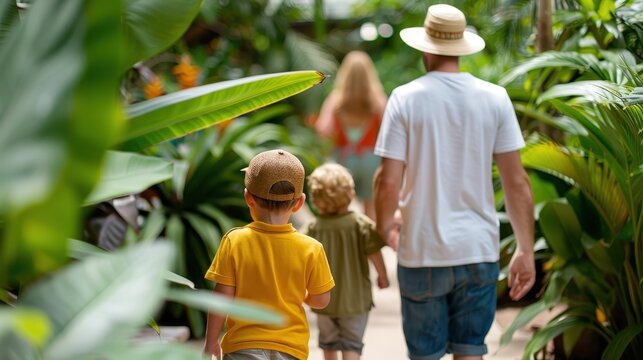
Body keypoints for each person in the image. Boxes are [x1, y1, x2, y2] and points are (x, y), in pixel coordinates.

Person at [373, 4, 536, 360]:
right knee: (470, 352)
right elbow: (517, 182)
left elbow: (387, 182)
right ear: (461, 47)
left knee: (425, 354)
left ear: (426, 49)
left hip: (422, 251)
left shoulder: (405, 98)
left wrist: (386, 228)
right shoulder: (495, 98)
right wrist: (525, 249)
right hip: (478, 249)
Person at [203, 149, 335, 360]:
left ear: (248, 198)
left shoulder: (234, 241)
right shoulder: (311, 248)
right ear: (299, 203)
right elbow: (321, 300)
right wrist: (303, 296)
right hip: (290, 348)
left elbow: (221, 297)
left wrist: (211, 342)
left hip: (242, 346)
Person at [301, 163, 390, 360]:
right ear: (351, 194)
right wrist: (382, 275)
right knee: (352, 345)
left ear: (314, 199)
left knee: (328, 343)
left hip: (324, 301)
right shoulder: (360, 224)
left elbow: (299, 257)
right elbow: (374, 252)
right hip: (355, 301)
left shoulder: (313, 228)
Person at [315, 51, 388, 219]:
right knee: (371, 210)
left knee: (341, 206)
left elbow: (323, 130)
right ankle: (371, 243)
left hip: (343, 160)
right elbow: (389, 130)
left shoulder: (335, 100)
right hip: (371, 161)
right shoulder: (379, 101)